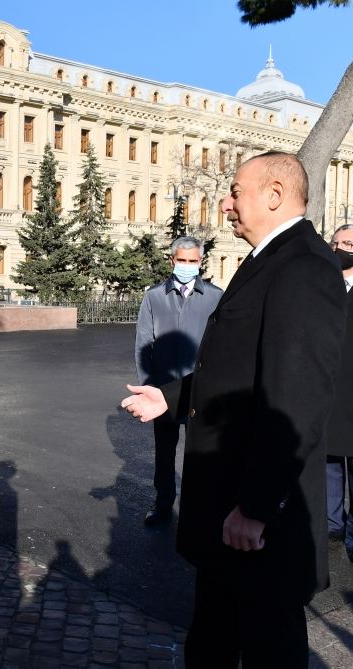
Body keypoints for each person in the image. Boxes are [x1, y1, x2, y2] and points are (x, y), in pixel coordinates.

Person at [120, 152, 344, 667]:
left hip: (257, 523)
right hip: (231, 514)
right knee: (215, 640)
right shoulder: (269, 261)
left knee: (268, 649)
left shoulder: (304, 267)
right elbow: (239, 371)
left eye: (236, 191)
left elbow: (297, 397)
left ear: (274, 194)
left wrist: (258, 506)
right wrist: (172, 397)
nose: (226, 203)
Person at [134, 236, 222, 526]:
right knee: (164, 453)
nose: (187, 266)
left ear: (200, 262)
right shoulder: (154, 296)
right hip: (163, 392)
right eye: (181, 261)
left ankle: (200, 508)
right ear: (172, 261)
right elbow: (144, 345)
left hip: (201, 391)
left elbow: (222, 346)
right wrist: (149, 388)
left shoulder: (215, 297)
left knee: (202, 454)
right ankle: (163, 503)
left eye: (192, 261)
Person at [324, 223, 353, 561]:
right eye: (339, 243)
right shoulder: (322, 288)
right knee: (329, 464)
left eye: (350, 243)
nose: (344, 249)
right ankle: (332, 524)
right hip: (328, 392)